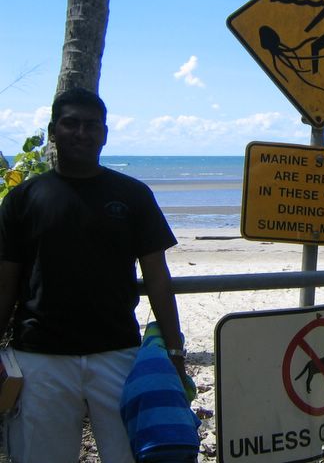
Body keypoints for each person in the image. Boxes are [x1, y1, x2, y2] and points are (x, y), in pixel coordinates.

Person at [0, 88, 189, 462]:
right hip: (41, 358)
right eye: (71, 124)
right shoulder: (23, 199)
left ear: (104, 133)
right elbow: (5, 283)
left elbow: (157, 277)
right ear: (53, 131)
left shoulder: (133, 195)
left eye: (91, 125)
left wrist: (174, 348)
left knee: (130, 455)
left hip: (118, 353)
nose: (81, 133)